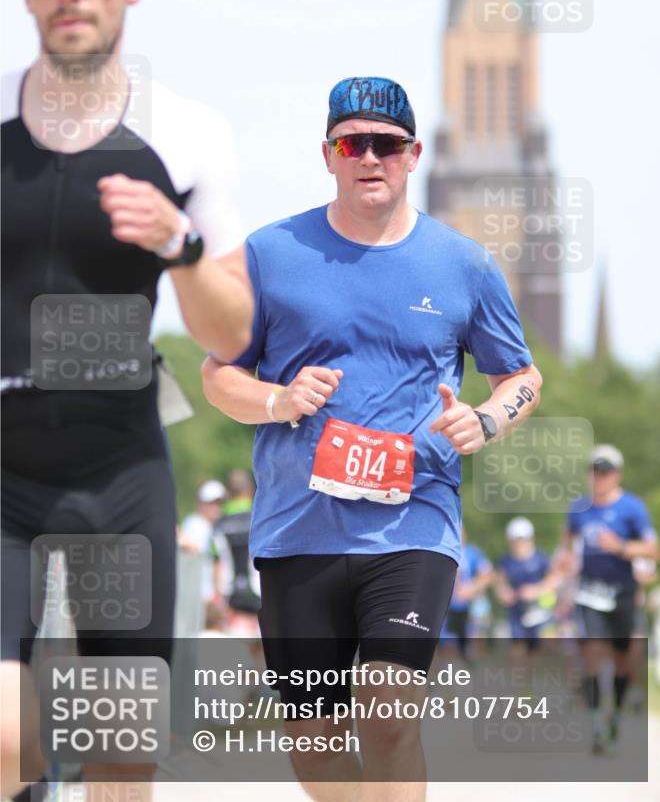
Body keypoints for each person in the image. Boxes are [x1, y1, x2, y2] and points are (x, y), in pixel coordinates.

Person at [203, 75, 543, 802]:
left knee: (388, 714)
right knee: (317, 747)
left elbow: (521, 378)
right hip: (299, 530)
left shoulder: (464, 264)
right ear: (327, 154)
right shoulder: (270, 253)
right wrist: (278, 397)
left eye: (387, 145)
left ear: (414, 154)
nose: (370, 158)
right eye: (352, 143)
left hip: (414, 523)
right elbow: (217, 378)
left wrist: (483, 420)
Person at [1, 0, 253, 802]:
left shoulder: (188, 134)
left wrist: (178, 247)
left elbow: (233, 330)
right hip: (2, 471)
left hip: (118, 470)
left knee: (122, 753)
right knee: (3, 737)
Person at [562, 444, 660, 754]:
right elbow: (566, 550)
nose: (599, 478)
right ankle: (596, 727)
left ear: (616, 475)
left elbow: (653, 551)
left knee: (622, 662)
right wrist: (563, 574)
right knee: (592, 654)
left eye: (604, 472)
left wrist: (620, 547)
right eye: (594, 471)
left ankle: (615, 714)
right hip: (589, 592)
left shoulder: (633, 507)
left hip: (622, 593)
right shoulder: (578, 509)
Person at [494, 517, 561, 654]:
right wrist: (503, 592)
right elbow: (499, 581)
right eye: (516, 540)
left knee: (539, 648)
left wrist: (537, 590)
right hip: (516, 611)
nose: (520, 544)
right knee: (518, 648)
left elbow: (554, 578)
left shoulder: (540, 557)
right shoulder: (505, 560)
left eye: (524, 539)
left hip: (539, 610)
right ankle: (520, 675)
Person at [438, 528, 493, 661]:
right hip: (444, 609)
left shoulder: (472, 553)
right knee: (445, 648)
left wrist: (471, 589)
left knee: (471, 647)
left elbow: (487, 576)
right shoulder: (440, 551)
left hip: (467, 609)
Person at [214, 468, 261, 620]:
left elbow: (217, 563)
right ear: (251, 490)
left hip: (228, 597)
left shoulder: (219, 522)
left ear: (228, 492)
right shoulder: (258, 516)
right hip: (259, 593)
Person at [179, 479, 228, 604]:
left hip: (205, 598)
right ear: (200, 504)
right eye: (211, 503)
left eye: (219, 503)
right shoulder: (196, 525)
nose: (216, 508)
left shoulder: (210, 527)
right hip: (198, 598)